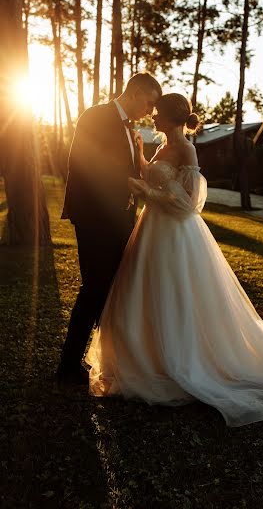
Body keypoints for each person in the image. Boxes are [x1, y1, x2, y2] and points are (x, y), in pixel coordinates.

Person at [86, 93, 263, 426]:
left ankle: (182, 357)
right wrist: (140, 157)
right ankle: (146, 356)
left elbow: (189, 203)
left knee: (178, 292)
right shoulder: (162, 145)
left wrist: (146, 193)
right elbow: (157, 175)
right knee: (145, 290)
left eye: (157, 114)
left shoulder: (187, 149)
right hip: (152, 228)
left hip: (176, 233)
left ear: (170, 118)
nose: (152, 118)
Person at [56, 72, 162, 385]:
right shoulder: (95, 117)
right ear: (135, 93)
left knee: (114, 289)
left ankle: (109, 360)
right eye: (149, 102)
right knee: (94, 287)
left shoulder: (132, 130)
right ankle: (67, 364)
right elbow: (84, 164)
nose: (151, 111)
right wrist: (127, 183)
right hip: (94, 217)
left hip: (120, 220)